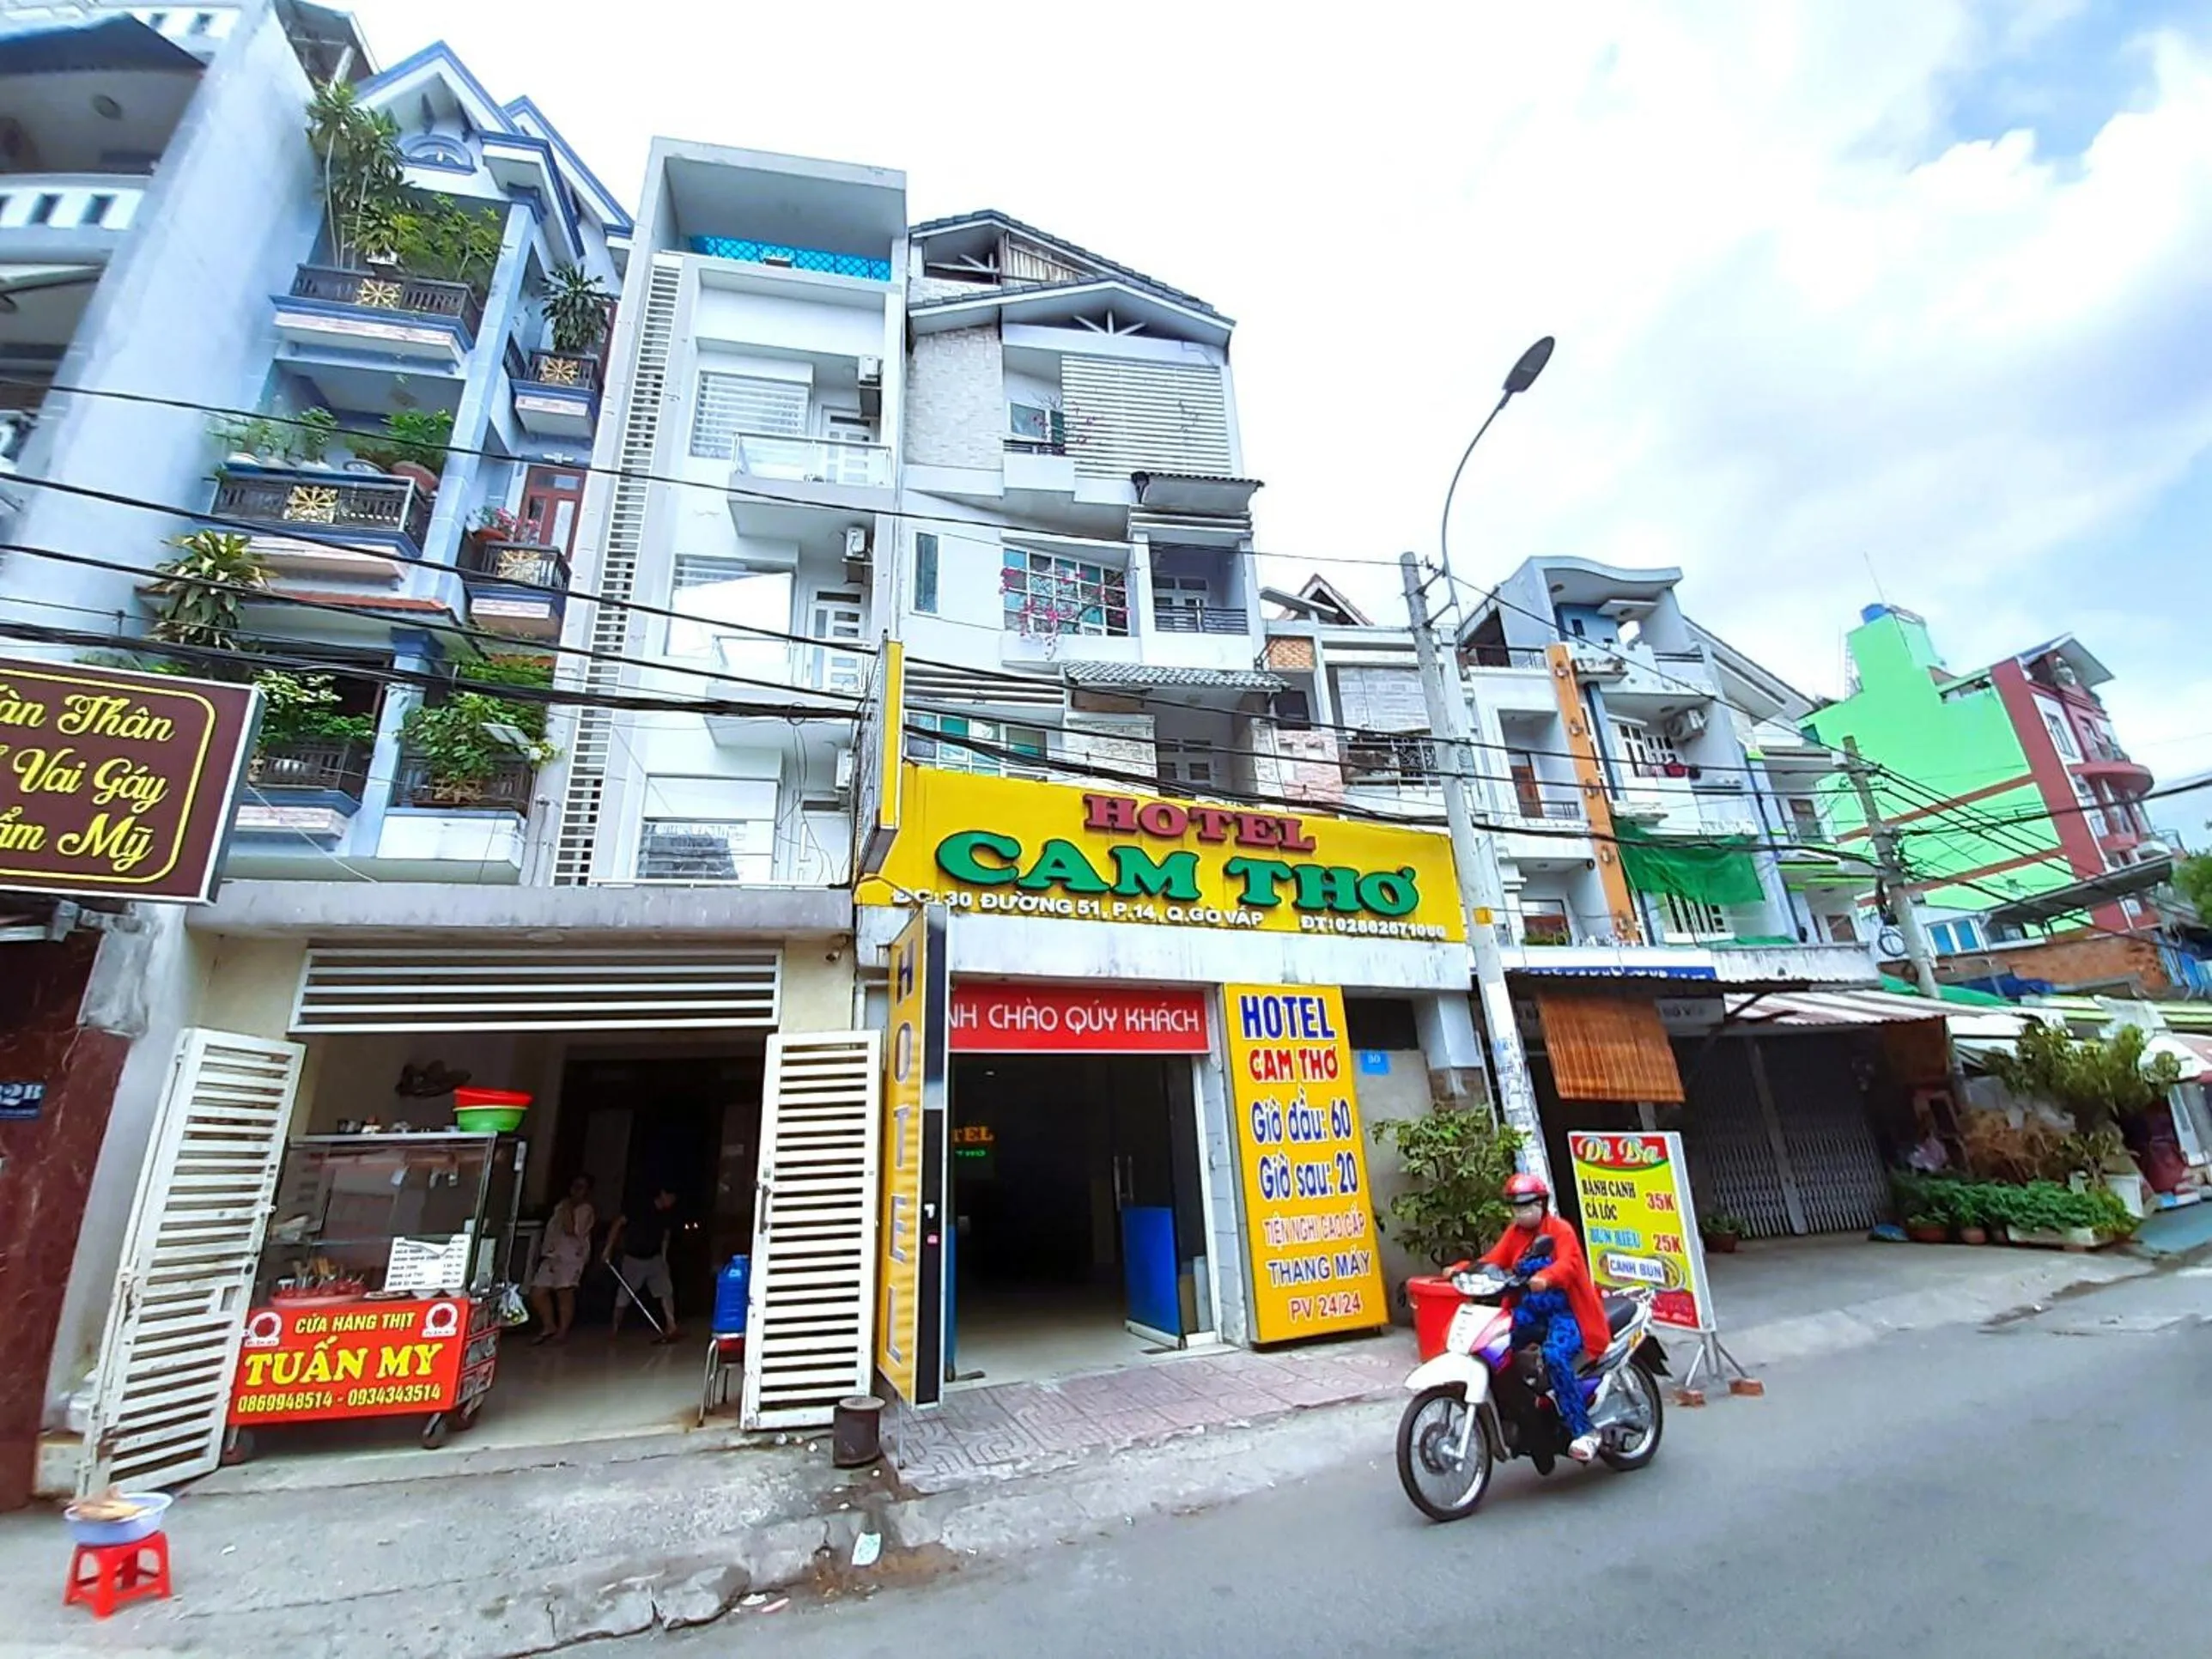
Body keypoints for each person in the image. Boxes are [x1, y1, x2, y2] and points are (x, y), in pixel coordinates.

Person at [1479, 1170, 1612, 1462]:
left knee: (1554, 1356)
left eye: (1528, 1205)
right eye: (1516, 1207)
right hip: (1530, 1311)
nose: (1522, 1212)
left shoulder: (1560, 1230)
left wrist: (1547, 1277)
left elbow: (1569, 1264)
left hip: (1567, 1312)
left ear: (1542, 1203)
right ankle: (1527, 1412)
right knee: (1496, 1347)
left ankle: (1583, 1430)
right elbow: (1494, 1261)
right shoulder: (1515, 1234)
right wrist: (1464, 1269)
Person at [606, 1186, 684, 1344]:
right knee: (624, 1295)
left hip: (654, 1258)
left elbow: (665, 1237)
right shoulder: (640, 1207)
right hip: (634, 1258)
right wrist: (608, 1248)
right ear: (663, 1193)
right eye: (670, 1197)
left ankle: (671, 1326)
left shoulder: (667, 1214)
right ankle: (614, 1329)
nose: (671, 1202)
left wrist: (664, 1259)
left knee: (666, 1291)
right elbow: (618, 1223)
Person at [527, 1174, 596, 1344]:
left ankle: (562, 1331)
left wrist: (567, 1210)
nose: (576, 1191)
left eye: (581, 1187)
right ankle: (549, 1325)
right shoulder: (561, 1205)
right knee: (537, 1291)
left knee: (564, 1293)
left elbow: (571, 1229)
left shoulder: (585, 1210)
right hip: (552, 1254)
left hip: (571, 1257)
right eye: (575, 1186)